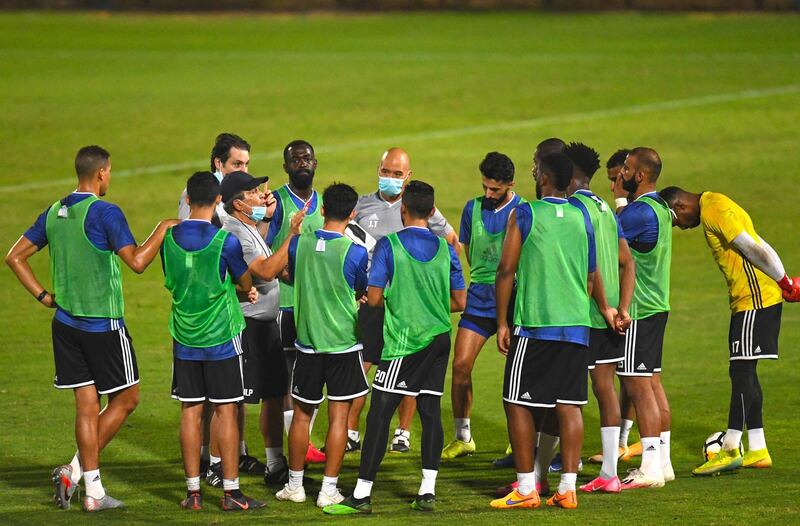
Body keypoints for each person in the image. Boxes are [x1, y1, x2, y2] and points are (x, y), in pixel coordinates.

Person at [5, 145, 177, 511]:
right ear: (101, 173)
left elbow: (14, 256)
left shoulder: (54, 211)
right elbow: (137, 262)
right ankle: (80, 475)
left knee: (87, 407)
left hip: (65, 324)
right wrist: (163, 227)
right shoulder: (105, 212)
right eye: (110, 172)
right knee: (128, 399)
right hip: (103, 325)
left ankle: (91, 488)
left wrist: (43, 297)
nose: (110, 177)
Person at [323, 181, 466, 515]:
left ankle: (361, 496)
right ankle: (427, 492)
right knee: (430, 411)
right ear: (432, 212)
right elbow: (459, 300)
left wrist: (402, 302)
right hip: (440, 339)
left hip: (404, 341)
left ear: (403, 210)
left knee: (378, 416)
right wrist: (428, 304)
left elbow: (373, 298)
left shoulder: (389, 246)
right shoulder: (446, 249)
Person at [660, 187, 799, 475]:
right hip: (749, 298)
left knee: (742, 372)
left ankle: (731, 447)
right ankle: (758, 448)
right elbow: (760, 242)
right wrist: (782, 279)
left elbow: (751, 247)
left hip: (755, 298)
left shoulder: (714, 210)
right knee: (744, 371)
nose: (682, 228)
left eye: (676, 222)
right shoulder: (715, 203)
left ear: (680, 206)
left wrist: (783, 280)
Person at [491, 152, 601, 511]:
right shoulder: (581, 216)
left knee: (516, 401)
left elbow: (506, 270)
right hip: (576, 326)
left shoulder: (524, 213)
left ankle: (526, 488)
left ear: (543, 178)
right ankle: (567, 488)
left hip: (536, 326)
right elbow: (589, 276)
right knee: (569, 405)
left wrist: (503, 322)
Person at [164, 171, 264, 511]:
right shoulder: (225, 241)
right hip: (222, 337)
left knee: (190, 411)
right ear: (219, 200)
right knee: (225, 411)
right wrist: (244, 288)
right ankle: (231, 493)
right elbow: (243, 278)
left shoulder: (170, 238)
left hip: (184, 338)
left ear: (188, 200)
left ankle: (192, 493)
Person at [348, 147, 458, 455]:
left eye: (398, 174)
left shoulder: (422, 210)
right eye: (386, 172)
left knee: (408, 368)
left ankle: (403, 432)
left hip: (407, 306)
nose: (391, 179)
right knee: (363, 366)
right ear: (378, 170)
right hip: (373, 302)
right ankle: (351, 431)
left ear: (408, 177)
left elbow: (452, 244)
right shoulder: (362, 206)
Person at [275, 183, 369, 508]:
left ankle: (295, 486)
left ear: (323, 210)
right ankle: (328, 491)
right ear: (353, 213)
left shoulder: (298, 244)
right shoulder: (355, 252)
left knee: (302, 416)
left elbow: (289, 276)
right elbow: (360, 291)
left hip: (308, 347)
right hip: (344, 346)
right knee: (339, 417)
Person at [220, 171, 304, 487]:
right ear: (238, 203)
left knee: (273, 393)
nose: (261, 195)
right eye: (254, 192)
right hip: (248, 326)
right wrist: (292, 234)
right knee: (231, 402)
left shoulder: (249, 227)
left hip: (266, 325)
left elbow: (273, 268)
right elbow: (267, 272)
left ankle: (275, 465)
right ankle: (219, 469)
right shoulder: (236, 233)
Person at [564, 142, 635, 493]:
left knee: (567, 395)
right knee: (604, 389)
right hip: (608, 317)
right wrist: (622, 308)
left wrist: (605, 306)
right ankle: (610, 472)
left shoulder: (575, 208)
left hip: (583, 315)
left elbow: (588, 268)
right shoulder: (605, 207)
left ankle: (562, 470)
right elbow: (627, 261)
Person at [441, 151, 522, 460]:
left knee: (517, 376)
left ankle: (519, 441)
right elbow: (470, 252)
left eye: (495, 189)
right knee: (460, 365)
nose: (488, 194)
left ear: (510, 184)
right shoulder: (471, 208)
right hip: (479, 300)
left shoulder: (523, 211)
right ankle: (463, 437)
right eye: (485, 187)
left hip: (514, 301)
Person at [612, 147, 674, 489]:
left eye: (626, 167)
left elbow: (607, 241)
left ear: (639, 175)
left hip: (637, 309)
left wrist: (618, 201)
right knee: (650, 383)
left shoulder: (638, 213)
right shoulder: (660, 207)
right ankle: (662, 462)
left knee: (638, 386)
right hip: (657, 305)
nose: (621, 173)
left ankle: (649, 467)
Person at [266, 139, 327, 464]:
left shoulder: (322, 204)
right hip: (284, 304)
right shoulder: (276, 201)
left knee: (310, 376)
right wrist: (282, 270)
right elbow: (261, 247)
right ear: (286, 167)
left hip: (314, 306)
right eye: (295, 159)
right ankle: (292, 451)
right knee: (285, 378)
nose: (302, 163)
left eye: (307, 158)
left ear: (315, 163)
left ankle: (300, 445)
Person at [177, 133, 252, 224]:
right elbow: (188, 230)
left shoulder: (246, 193)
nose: (244, 171)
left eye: (246, 164)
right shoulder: (200, 190)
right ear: (218, 163)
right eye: (237, 164)